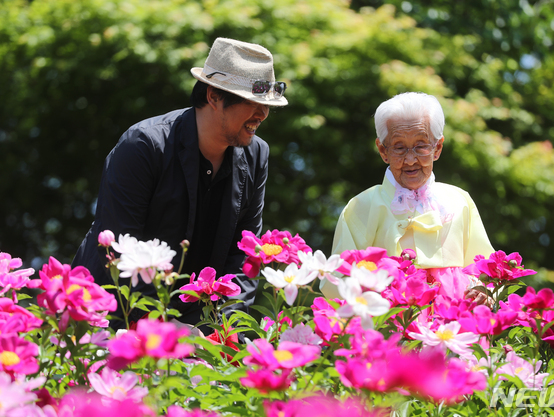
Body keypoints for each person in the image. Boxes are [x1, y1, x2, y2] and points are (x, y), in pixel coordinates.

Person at [72, 37, 288, 329]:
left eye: (267, 105)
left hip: (196, 328)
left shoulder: (256, 153)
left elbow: (244, 255)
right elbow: (119, 248)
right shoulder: (144, 145)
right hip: (110, 314)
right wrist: (165, 329)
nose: (262, 115)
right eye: (253, 102)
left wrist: (223, 328)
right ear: (214, 96)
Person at [321, 92, 493, 302]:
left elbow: (487, 270)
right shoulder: (360, 207)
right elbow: (336, 281)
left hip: (453, 328)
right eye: (399, 148)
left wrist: (484, 292)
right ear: (383, 151)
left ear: (437, 148)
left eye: (421, 146)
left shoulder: (460, 201)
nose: (410, 160)